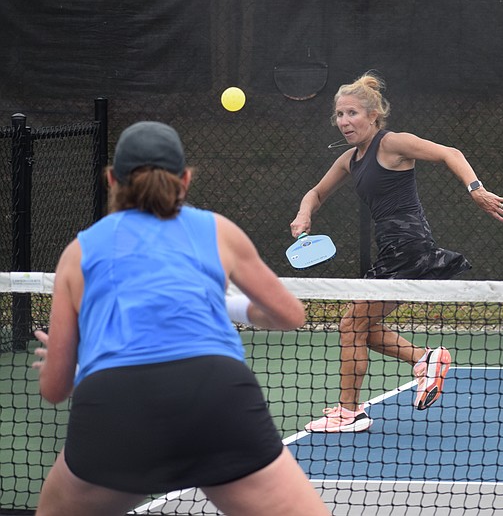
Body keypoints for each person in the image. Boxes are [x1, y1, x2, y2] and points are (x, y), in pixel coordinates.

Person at [31, 121, 330, 516]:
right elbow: (291, 315)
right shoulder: (218, 230)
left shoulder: (77, 252)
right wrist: (233, 307)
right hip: (216, 396)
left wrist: (77, 362)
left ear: (110, 180)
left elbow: (55, 389)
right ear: (185, 180)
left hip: (114, 403)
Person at [290, 72, 503, 433]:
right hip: (391, 251)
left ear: (373, 116)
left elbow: (449, 153)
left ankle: (350, 412)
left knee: (351, 323)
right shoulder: (351, 159)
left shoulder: (393, 143)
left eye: (352, 114)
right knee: (362, 325)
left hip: (409, 247)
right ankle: (425, 359)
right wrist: (304, 214)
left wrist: (476, 189)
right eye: (340, 115)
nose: (344, 122)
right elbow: (315, 193)